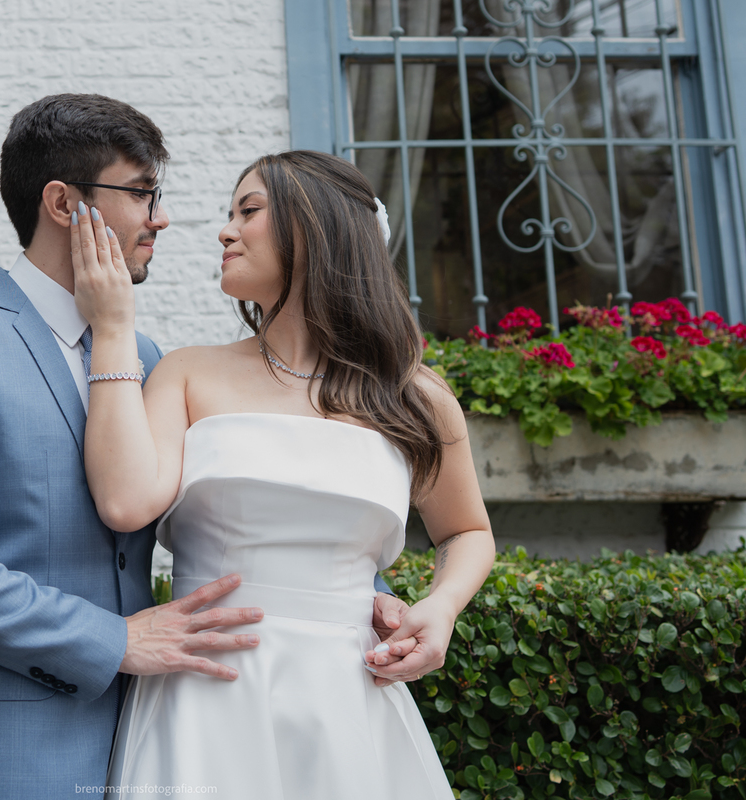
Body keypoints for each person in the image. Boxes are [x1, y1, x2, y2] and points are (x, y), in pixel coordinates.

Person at [0, 96, 412, 799]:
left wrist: (364, 596)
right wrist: (115, 642)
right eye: (142, 194)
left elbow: (240, 507)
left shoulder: (148, 357)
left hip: (168, 742)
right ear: (64, 204)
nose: (161, 218)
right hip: (4, 755)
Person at [72, 149, 496, 798]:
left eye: (249, 211)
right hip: (207, 689)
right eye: (228, 214)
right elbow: (127, 503)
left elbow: (466, 530)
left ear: (317, 228)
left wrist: (440, 609)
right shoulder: (187, 373)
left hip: (349, 692)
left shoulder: (416, 396)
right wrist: (112, 326)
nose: (224, 230)